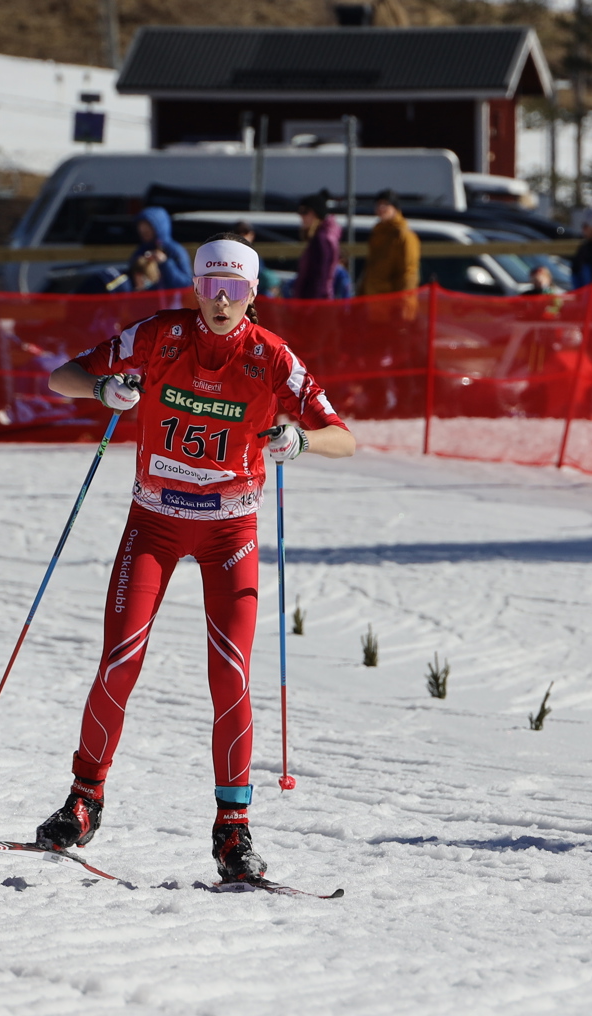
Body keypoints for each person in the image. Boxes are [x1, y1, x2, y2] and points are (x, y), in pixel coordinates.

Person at [32, 239, 357, 884]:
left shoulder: (271, 358)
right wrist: (105, 389)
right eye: (211, 288)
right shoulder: (159, 338)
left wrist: (301, 439)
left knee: (231, 675)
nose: (221, 302)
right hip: (153, 523)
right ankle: (83, 799)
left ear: (254, 295)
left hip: (228, 531)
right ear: (194, 287)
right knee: (120, 656)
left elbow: (343, 437)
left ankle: (232, 831)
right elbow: (59, 376)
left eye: (235, 291)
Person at [359, 189, 419, 296]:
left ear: (395, 208)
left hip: (391, 301)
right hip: (373, 299)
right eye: (378, 205)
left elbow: (408, 273)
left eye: (386, 205)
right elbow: (369, 268)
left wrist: (405, 304)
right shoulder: (377, 233)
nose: (381, 208)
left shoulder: (404, 235)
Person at [291, 194, 345, 300]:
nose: (301, 216)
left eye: (305, 211)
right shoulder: (319, 237)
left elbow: (322, 275)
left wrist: (311, 307)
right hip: (315, 300)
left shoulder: (322, 239)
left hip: (316, 301)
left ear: (316, 213)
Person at [129, 207, 190, 291]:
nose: (143, 229)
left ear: (159, 226)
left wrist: (165, 263)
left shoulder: (175, 250)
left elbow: (186, 283)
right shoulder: (140, 252)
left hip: (174, 302)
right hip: (148, 302)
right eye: (140, 226)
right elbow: (133, 282)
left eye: (148, 226)